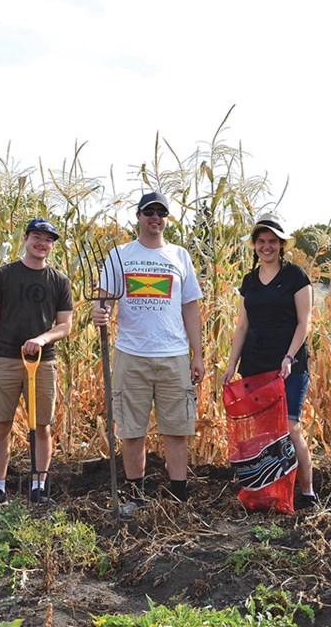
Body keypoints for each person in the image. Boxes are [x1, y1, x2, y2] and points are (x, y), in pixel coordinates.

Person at [92, 191, 204, 517]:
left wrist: (197, 354)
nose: (155, 217)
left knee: (177, 428)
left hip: (173, 355)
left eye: (161, 212)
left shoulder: (180, 256)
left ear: (166, 219)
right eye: (149, 212)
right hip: (131, 354)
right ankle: (135, 496)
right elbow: (105, 301)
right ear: (138, 216)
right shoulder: (119, 256)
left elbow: (191, 309)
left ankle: (179, 497)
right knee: (131, 429)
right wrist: (102, 313)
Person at [0, 218, 73, 504]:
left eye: (49, 239)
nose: (42, 243)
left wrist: (42, 339)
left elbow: (65, 325)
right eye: (37, 237)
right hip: (4, 359)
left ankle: (38, 485)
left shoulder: (59, 281)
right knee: (0, 425)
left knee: (42, 426)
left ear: (52, 245)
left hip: (42, 362)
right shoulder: (3, 276)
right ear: (26, 238)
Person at [222, 212, 317, 508]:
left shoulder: (296, 277)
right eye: (261, 241)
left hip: (289, 366)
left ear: (281, 245)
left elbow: (305, 323)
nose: (267, 246)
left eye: (272, 241)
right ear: (254, 245)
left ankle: (307, 492)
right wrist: (231, 365)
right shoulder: (249, 281)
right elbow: (242, 326)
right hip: (255, 365)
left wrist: (289, 357)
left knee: (290, 427)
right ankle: (270, 493)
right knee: (264, 434)